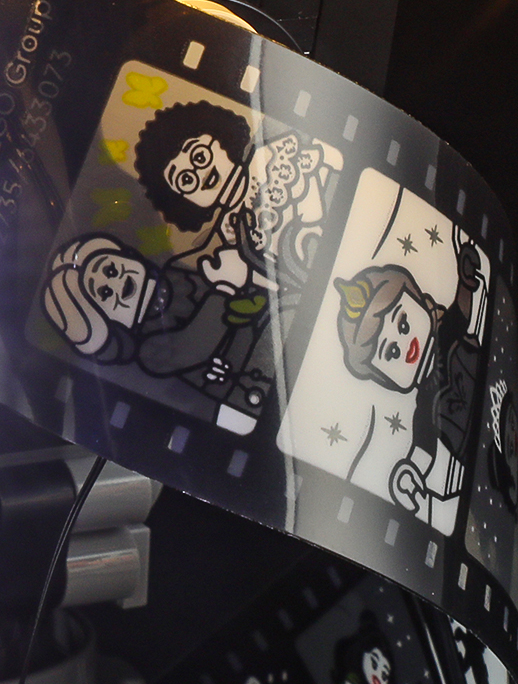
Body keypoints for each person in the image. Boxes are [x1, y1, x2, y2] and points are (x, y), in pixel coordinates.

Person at [332, 232, 484, 525]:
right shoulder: (424, 404)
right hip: (477, 451)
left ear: (417, 298)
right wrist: (410, 476)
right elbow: (423, 448)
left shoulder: (446, 335)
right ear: (384, 378)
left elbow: (462, 313)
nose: (405, 345)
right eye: (391, 352)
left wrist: (466, 282)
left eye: (403, 323)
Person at [41, 234, 274, 416]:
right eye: (104, 293)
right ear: (106, 323)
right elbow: (191, 348)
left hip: (266, 332)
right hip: (247, 386)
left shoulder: (174, 274)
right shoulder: (149, 351)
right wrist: (224, 287)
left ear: (128, 256)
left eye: (110, 269)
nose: (116, 282)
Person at [134, 101, 340, 290]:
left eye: (199, 156)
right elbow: (282, 286)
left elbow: (333, 179)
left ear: (216, 137)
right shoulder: (230, 235)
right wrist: (245, 276)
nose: (200, 173)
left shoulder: (273, 156)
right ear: (184, 202)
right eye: (186, 180)